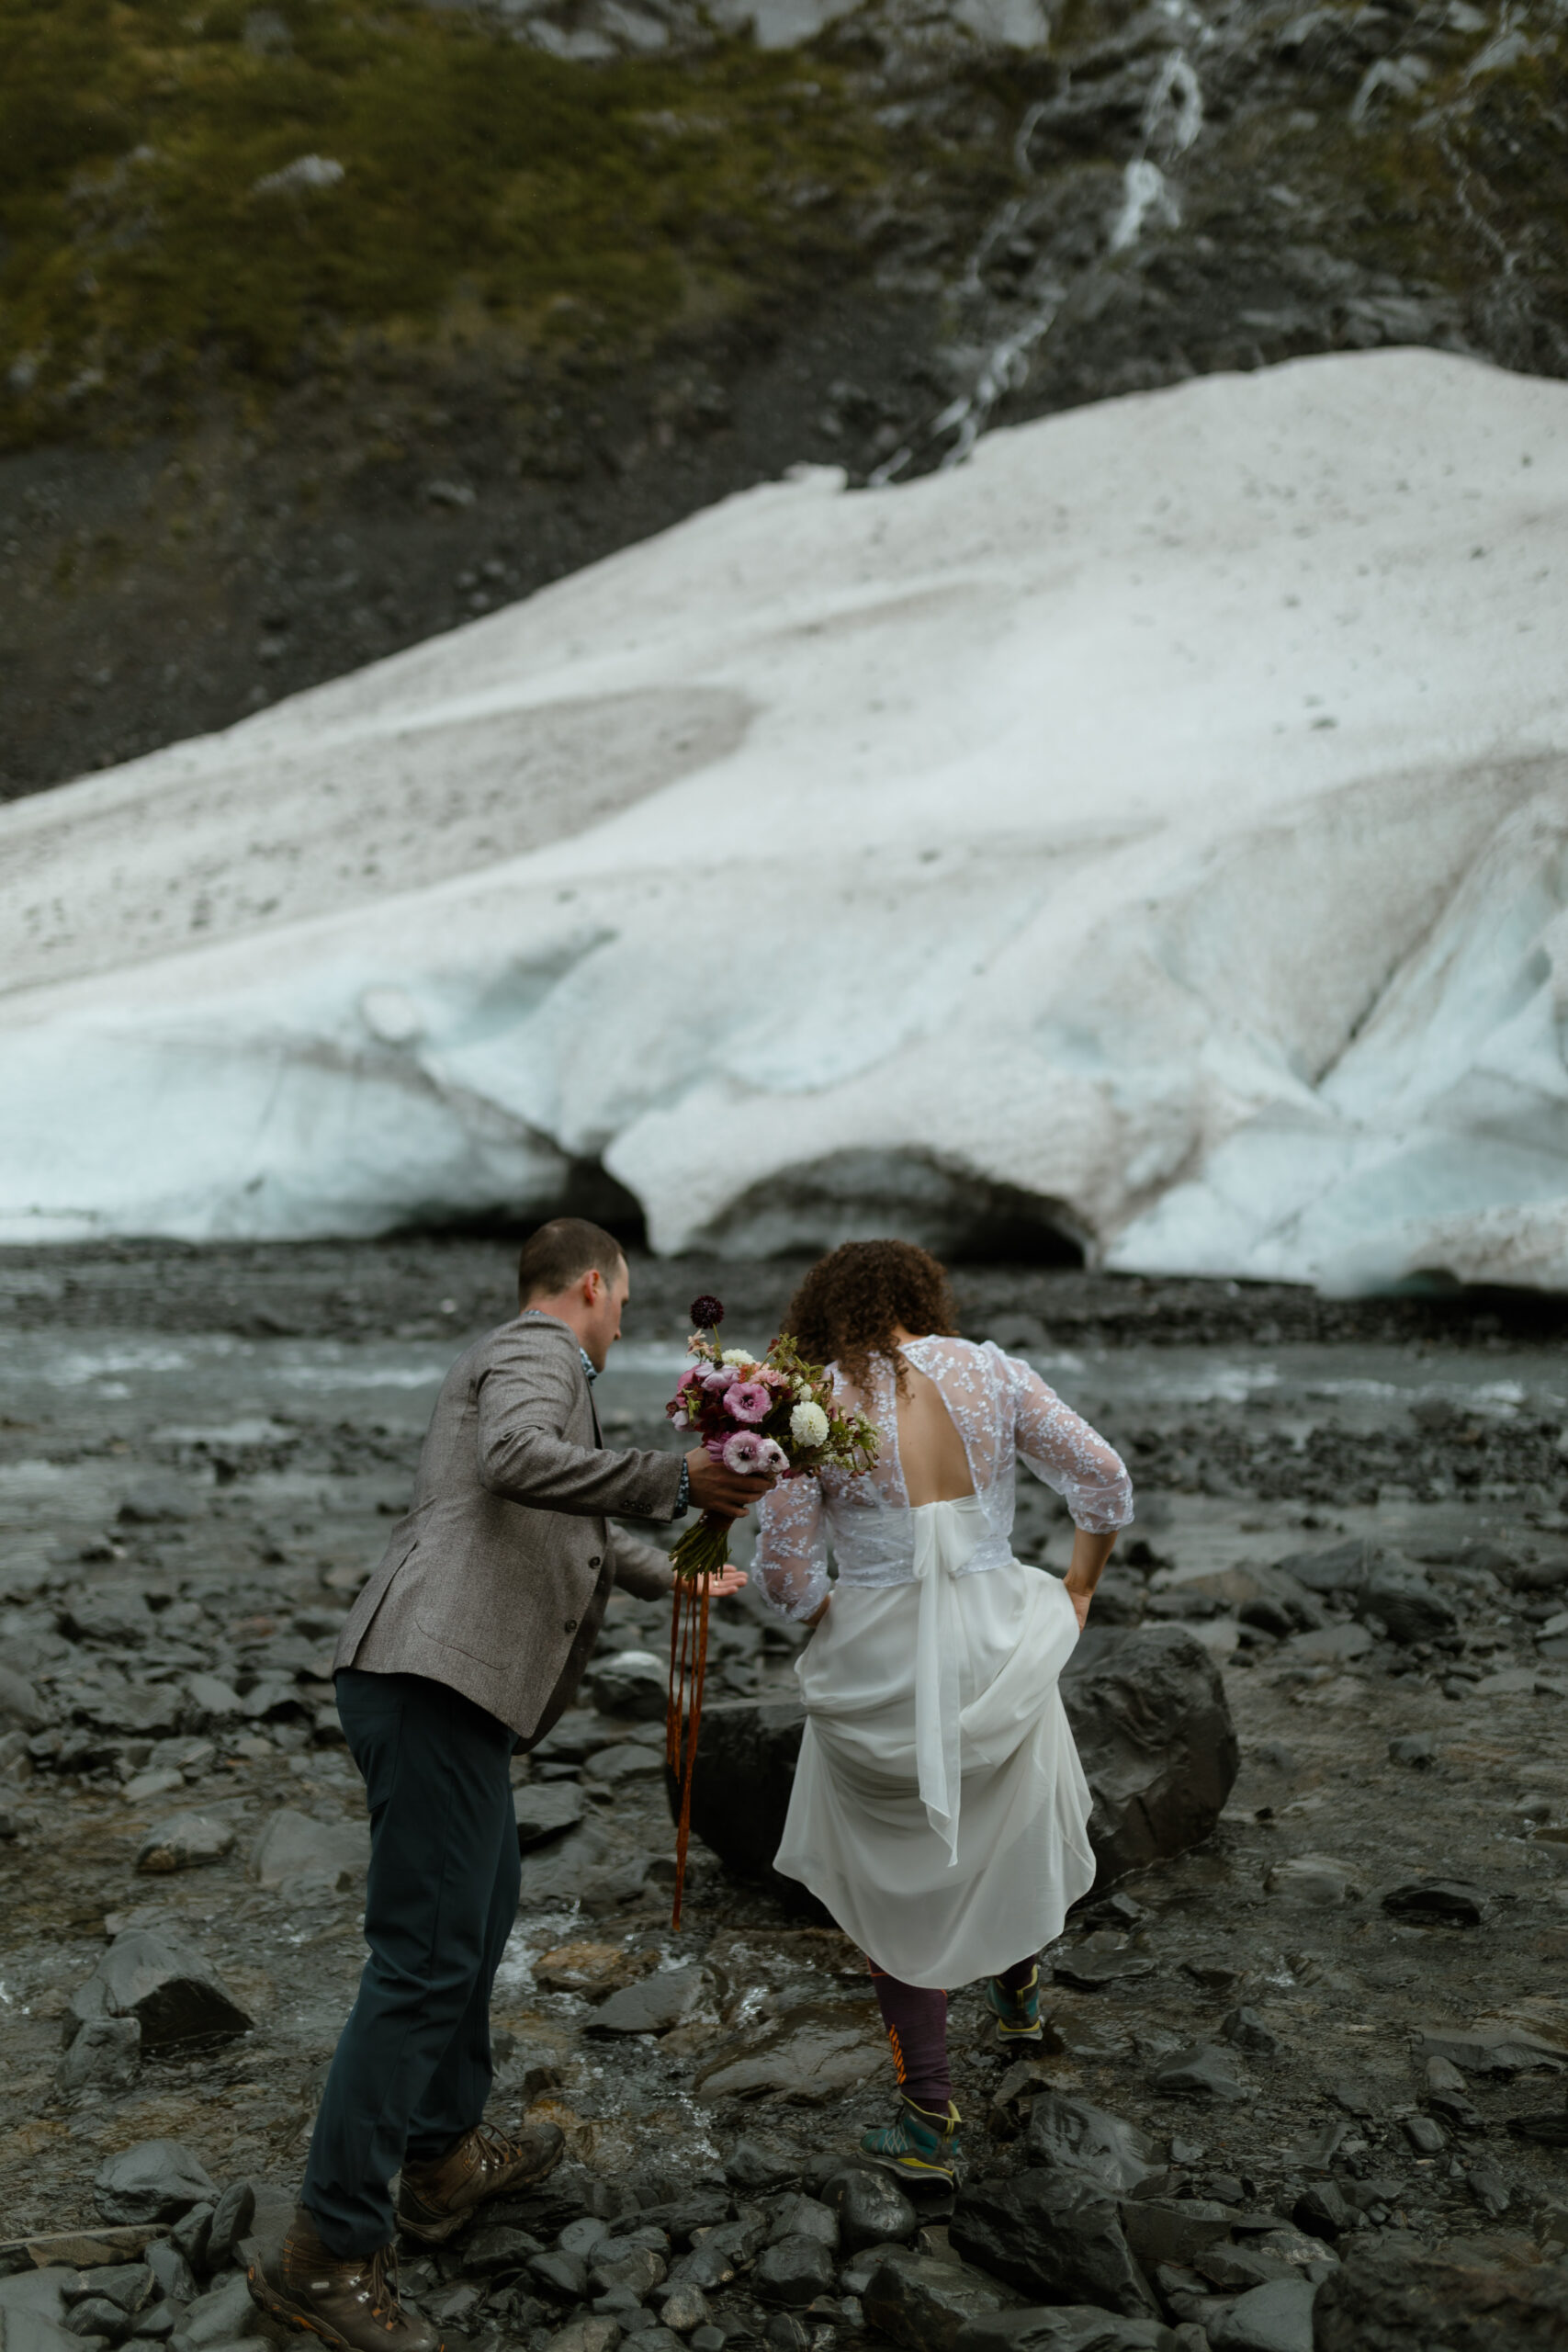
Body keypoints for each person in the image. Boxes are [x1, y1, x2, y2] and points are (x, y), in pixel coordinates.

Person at [248, 1218, 768, 2352]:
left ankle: (440, 2160)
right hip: (431, 1674)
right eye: (623, 1299)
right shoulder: (541, 1352)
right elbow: (516, 1464)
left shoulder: (525, 1367)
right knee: (423, 1958)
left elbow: (557, 1525)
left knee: (473, 1930)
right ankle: (326, 2253)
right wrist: (676, 1474)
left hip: (447, 1684)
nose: (626, 1320)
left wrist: (679, 1568)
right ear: (591, 1283)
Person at [750, 1238, 1132, 2187]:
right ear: (922, 1295)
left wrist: (829, 1608)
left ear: (826, 1308)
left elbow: (790, 1579)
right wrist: (1077, 1590)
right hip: (998, 1631)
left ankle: (928, 2117)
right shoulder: (994, 1374)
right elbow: (1104, 1480)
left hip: (881, 1649)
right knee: (1009, 1818)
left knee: (899, 1877)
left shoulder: (810, 1401)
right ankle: (1021, 2001)